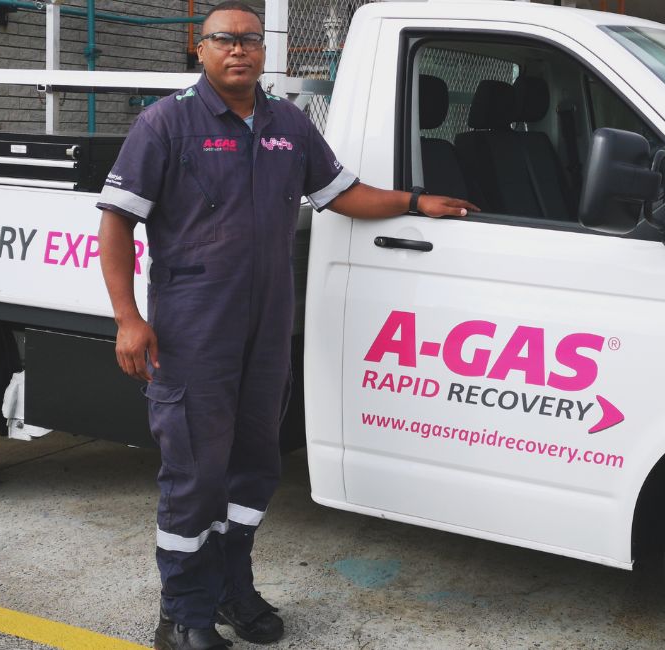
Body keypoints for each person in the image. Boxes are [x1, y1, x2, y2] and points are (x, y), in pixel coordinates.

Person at [97, 3, 477, 649]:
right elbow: (116, 222)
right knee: (193, 473)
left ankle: (231, 589)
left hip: (267, 329)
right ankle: (183, 615)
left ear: (262, 51)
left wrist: (415, 202)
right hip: (193, 330)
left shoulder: (287, 125)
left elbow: (341, 193)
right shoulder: (166, 124)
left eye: (249, 40)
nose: (238, 50)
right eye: (224, 40)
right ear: (201, 49)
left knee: (252, 466)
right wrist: (129, 319)